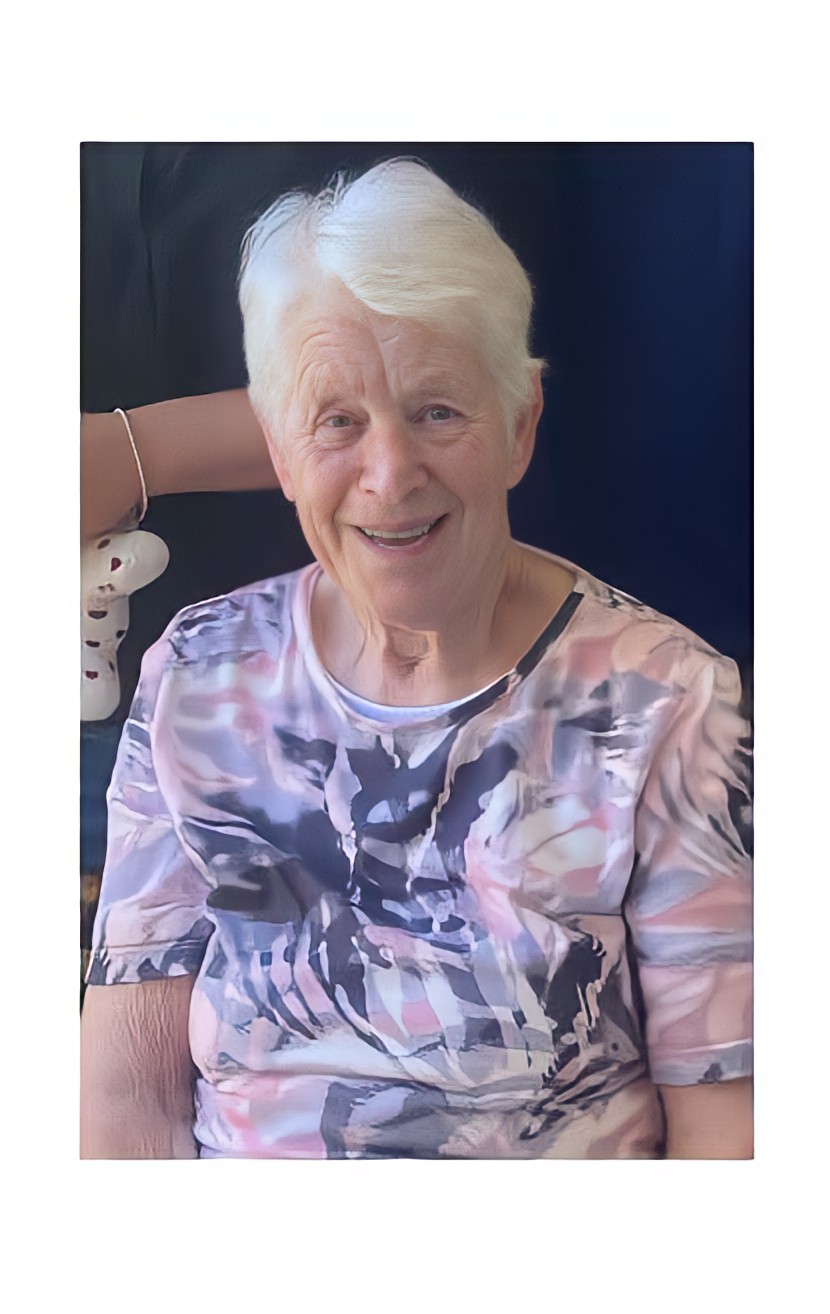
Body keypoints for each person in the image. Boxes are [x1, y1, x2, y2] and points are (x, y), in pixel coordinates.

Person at [80, 159, 753, 1159]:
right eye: (337, 422)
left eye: (438, 411)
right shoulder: (198, 674)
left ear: (519, 425)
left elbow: (726, 1127)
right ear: (279, 450)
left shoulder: (668, 702)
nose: (390, 475)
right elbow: (124, 1094)